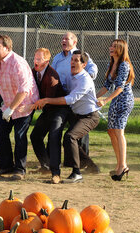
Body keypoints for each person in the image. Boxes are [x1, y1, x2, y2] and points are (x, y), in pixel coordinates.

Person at [33, 50, 100, 183]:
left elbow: (70, 99)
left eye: (76, 60)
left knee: (70, 137)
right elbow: (63, 89)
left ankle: (77, 173)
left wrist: (47, 100)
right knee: (66, 139)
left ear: (84, 64)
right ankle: (89, 165)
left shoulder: (85, 80)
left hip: (89, 116)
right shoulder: (70, 75)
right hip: (74, 113)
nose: (72, 63)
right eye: (72, 60)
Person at [0, 34, 39, 180]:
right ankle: (6, 166)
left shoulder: (18, 63)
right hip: (8, 105)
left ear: (7, 48)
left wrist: (12, 108)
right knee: (0, 133)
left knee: (19, 135)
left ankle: (19, 170)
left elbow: (24, 90)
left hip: (24, 105)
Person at [51, 32, 100, 174]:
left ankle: (81, 166)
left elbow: (93, 69)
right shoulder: (58, 58)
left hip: (78, 102)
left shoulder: (81, 56)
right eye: (63, 38)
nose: (64, 40)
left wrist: (83, 80)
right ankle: (77, 163)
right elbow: (53, 73)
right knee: (66, 134)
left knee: (75, 135)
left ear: (75, 41)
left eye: (67, 38)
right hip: (64, 98)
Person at [96, 39, 135, 181]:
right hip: (115, 101)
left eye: (114, 46)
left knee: (118, 132)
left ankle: (123, 166)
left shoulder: (124, 65)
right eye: (111, 46)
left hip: (124, 101)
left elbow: (120, 88)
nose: (110, 48)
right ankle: (119, 164)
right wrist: (94, 97)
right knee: (111, 132)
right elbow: (107, 86)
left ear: (121, 49)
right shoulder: (112, 64)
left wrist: (105, 101)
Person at [29, 48, 69, 184]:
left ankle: (55, 173)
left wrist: (28, 107)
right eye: (35, 58)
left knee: (54, 137)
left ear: (46, 61)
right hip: (47, 109)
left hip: (59, 109)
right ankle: (45, 166)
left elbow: (45, 100)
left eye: (39, 59)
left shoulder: (52, 76)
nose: (36, 61)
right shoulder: (33, 72)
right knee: (35, 136)